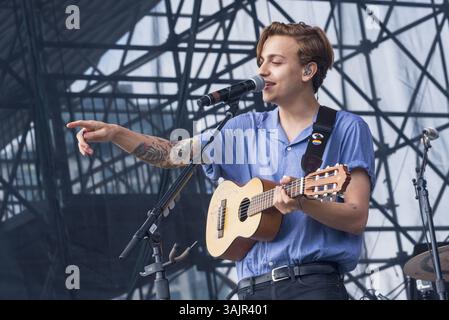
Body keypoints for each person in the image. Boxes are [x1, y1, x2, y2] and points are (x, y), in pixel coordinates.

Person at [66, 21, 375, 300]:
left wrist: (304, 203)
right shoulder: (242, 127)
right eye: (261, 62)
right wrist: (117, 134)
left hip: (312, 286)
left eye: (276, 62)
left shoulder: (346, 128)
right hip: (250, 290)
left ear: (307, 71)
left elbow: (356, 216)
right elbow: (171, 154)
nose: (262, 71)